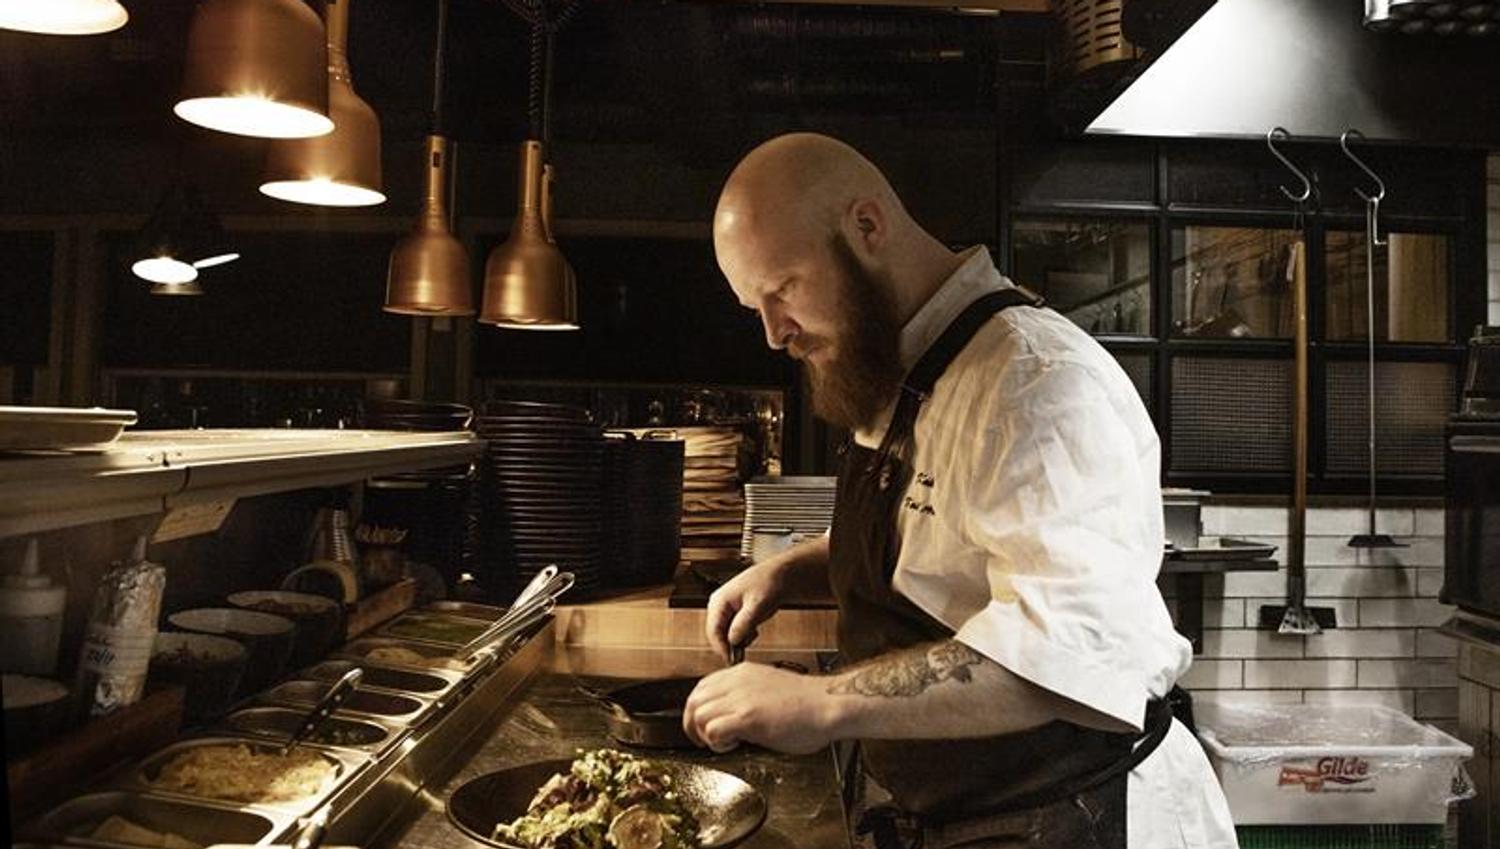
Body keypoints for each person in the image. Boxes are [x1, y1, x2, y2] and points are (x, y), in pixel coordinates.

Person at [681, 133, 1238, 849]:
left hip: (1073, 815)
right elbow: (938, 535)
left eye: (782, 288)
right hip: (964, 814)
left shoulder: (1036, 386)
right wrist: (791, 570)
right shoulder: (902, 362)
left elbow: (1059, 655)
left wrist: (820, 703)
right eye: (753, 304)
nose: (772, 333)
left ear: (867, 227)